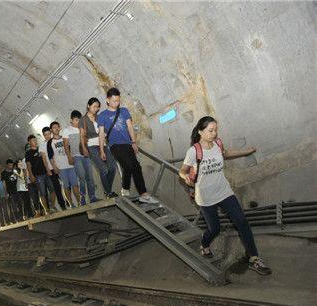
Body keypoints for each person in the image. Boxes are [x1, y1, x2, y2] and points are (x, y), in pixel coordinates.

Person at [179, 116, 272, 275]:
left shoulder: (217, 144)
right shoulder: (194, 151)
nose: (214, 134)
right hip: (206, 197)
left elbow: (225, 153)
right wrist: (185, 177)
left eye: (215, 130)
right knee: (214, 229)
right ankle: (204, 244)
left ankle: (254, 258)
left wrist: (245, 152)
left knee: (242, 222)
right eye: (210, 131)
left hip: (224, 191)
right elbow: (182, 170)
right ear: (201, 131)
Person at [98, 88, 158, 204]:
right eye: (114, 101)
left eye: (118, 101)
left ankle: (141, 193)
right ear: (107, 100)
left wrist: (133, 142)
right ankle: (129, 189)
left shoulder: (124, 111)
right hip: (115, 145)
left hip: (127, 143)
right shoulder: (103, 115)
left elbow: (130, 127)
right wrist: (101, 150)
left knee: (136, 167)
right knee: (128, 166)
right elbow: (101, 134)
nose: (116, 103)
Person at [80, 97, 118, 198]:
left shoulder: (100, 117)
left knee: (112, 167)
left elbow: (106, 130)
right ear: (88, 106)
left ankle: (107, 190)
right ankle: (109, 192)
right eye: (94, 106)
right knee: (103, 169)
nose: (96, 109)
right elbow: (82, 136)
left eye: (98, 107)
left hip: (103, 144)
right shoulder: (83, 120)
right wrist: (84, 148)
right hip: (91, 146)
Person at [63, 111, 97, 205]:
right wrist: (69, 157)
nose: (78, 122)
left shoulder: (83, 128)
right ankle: (82, 198)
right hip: (76, 156)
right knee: (81, 177)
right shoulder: (67, 130)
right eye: (76, 120)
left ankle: (92, 197)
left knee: (90, 177)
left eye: (79, 120)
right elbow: (66, 145)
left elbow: (88, 140)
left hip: (86, 155)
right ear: (71, 120)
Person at [40, 126, 67, 211]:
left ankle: (69, 201)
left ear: (51, 133)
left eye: (48, 134)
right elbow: (44, 159)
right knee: (57, 187)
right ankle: (62, 205)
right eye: (45, 135)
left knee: (66, 185)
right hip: (51, 169)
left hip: (61, 166)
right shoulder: (42, 145)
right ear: (43, 135)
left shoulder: (54, 141)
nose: (47, 136)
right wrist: (47, 169)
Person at [25, 135, 51, 214]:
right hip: (38, 175)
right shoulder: (28, 153)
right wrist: (31, 175)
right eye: (33, 140)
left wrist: (48, 170)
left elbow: (45, 159)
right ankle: (46, 209)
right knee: (42, 193)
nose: (35, 141)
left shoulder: (41, 149)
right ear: (29, 142)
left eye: (35, 140)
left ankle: (52, 206)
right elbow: (28, 165)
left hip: (46, 172)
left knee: (52, 190)